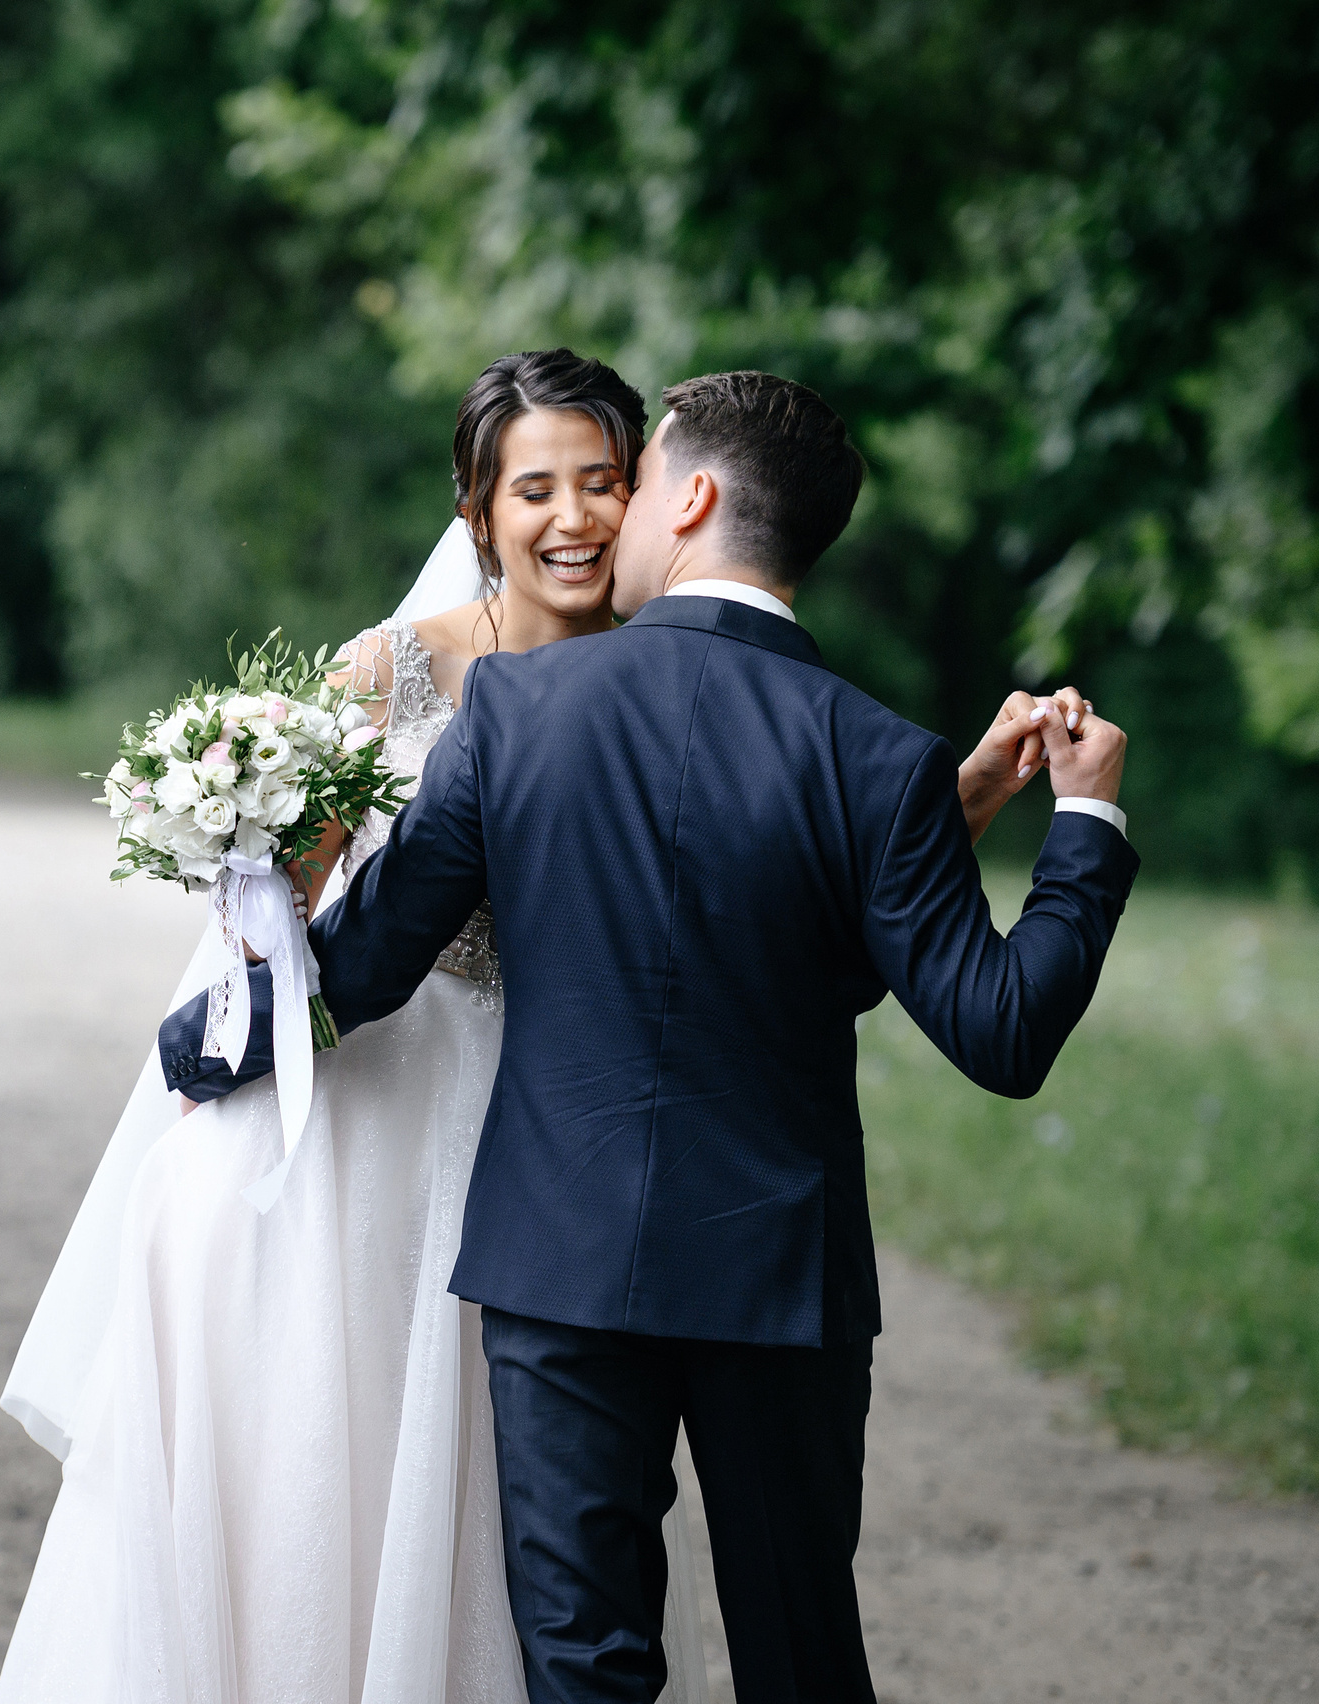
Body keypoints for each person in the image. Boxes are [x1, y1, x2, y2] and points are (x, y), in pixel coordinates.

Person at [164, 371, 1139, 1703]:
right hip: (779, 1278)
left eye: (635, 476)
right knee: (802, 1653)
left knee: (585, 1661)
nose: (604, 518)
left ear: (690, 497)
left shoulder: (517, 714)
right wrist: (1082, 827)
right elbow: (1001, 1029)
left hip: (560, 1264)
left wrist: (214, 1009)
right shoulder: (880, 755)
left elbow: (373, 964)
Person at [0, 349, 717, 1704]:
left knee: (517, 1474)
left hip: (549, 1103)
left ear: (654, 495)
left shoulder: (676, 675)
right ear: (477, 514)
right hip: (378, 1095)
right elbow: (284, 916)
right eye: (535, 489)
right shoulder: (392, 674)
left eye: (603, 483)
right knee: (332, 1437)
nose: (572, 519)